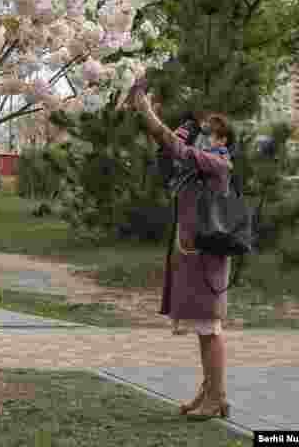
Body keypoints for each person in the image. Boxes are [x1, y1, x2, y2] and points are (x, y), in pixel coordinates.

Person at [131, 88, 233, 420]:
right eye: (201, 132)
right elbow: (169, 148)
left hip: (207, 259)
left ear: (222, 141)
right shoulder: (195, 169)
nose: (201, 137)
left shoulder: (217, 163)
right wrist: (154, 118)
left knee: (209, 327)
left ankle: (216, 397)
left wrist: (147, 111)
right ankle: (211, 393)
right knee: (205, 328)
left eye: (209, 134)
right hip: (195, 255)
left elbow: (177, 148)